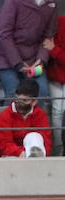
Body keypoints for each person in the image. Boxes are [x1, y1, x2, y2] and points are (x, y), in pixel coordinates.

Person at [0, 0, 56, 100]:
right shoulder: (13, 2)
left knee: (42, 92)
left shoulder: (51, 4)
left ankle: (36, 115)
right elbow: (3, 35)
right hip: (6, 58)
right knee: (14, 93)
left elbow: (48, 36)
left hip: (34, 59)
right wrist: (18, 63)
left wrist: (41, 60)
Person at [0, 77, 50, 156]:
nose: (19, 103)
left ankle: (35, 157)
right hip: (11, 156)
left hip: (36, 158)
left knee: (33, 136)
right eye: (17, 99)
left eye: (25, 100)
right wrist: (22, 153)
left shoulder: (40, 115)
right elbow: (4, 144)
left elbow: (46, 142)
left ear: (34, 102)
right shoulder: (5, 114)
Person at [47, 15, 65, 149]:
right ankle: (58, 148)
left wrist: (54, 49)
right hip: (55, 75)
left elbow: (51, 48)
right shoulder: (59, 21)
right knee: (57, 110)